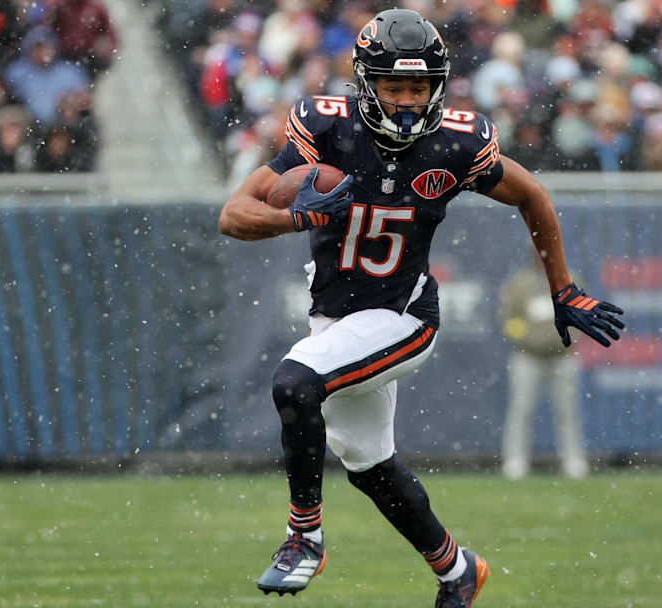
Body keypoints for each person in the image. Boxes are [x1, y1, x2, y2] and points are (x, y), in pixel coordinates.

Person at [217, 9, 625, 607]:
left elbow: (532, 194)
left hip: (403, 316)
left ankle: (303, 537)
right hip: (335, 314)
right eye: (393, 87)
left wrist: (561, 290)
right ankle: (457, 570)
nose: (408, 101)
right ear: (365, 83)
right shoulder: (326, 130)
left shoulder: (457, 142)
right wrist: (295, 216)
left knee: (294, 383)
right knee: (370, 464)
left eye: (419, 87)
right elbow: (233, 215)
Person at [498, 252, 589, 480]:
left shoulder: (568, 281)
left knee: (566, 411)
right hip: (527, 357)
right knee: (522, 410)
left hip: (562, 357)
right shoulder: (520, 283)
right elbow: (509, 317)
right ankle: (515, 460)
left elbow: (582, 314)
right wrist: (525, 338)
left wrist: (571, 338)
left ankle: (573, 460)